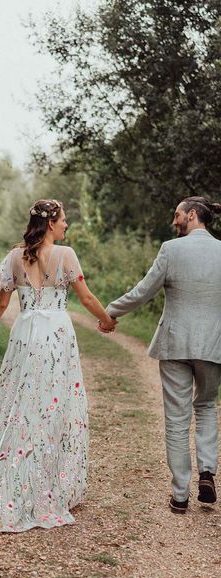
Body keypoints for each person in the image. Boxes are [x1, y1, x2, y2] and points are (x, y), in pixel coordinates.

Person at [0, 199, 115, 533]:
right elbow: (87, 298)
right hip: (57, 335)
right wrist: (105, 320)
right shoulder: (66, 255)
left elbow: (2, 301)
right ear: (51, 224)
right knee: (53, 404)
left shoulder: (15, 256)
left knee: (20, 402)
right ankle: (47, 481)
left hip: (25, 334)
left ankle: (19, 470)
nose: (66, 226)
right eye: (63, 220)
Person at [101, 197, 221, 514]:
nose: (174, 220)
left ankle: (180, 495)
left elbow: (144, 290)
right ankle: (207, 471)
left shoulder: (171, 249)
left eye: (177, 214)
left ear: (192, 215)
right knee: (207, 405)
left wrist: (109, 312)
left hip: (175, 344)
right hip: (213, 345)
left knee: (177, 418)